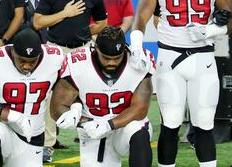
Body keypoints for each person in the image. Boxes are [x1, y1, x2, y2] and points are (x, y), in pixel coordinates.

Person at [131, 0, 232, 167]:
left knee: (204, 124)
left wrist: (212, 30)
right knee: (170, 124)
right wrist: (136, 44)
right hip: (170, 59)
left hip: (203, 59)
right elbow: (141, 16)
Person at [33, 0, 108, 162]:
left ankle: (89, 139)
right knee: (49, 96)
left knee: (87, 95)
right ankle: (47, 145)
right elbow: (38, 22)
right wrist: (64, 14)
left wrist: (85, 32)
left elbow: (102, 23)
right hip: (55, 49)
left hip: (83, 50)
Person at [50, 26, 155, 167]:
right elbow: (57, 107)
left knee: (140, 133)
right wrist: (79, 119)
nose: (111, 62)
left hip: (125, 124)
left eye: (116, 58)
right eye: (106, 58)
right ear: (96, 48)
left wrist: (108, 125)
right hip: (93, 128)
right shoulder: (77, 63)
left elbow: (140, 108)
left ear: (125, 49)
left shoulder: (139, 61)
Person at [0, 29, 66, 167]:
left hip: (32, 135)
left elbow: (69, 89)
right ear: (13, 51)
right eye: (22, 60)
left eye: (32, 61)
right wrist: (12, 116)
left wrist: (74, 107)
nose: (27, 66)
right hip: (0, 126)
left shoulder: (55, 57)